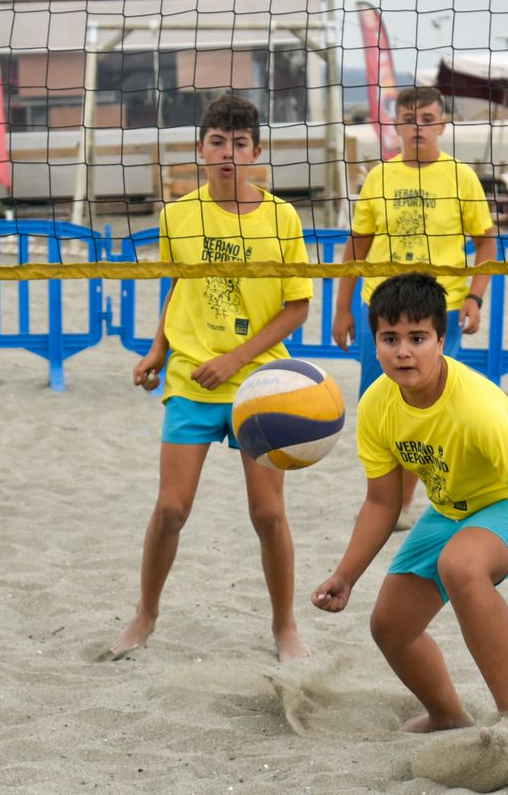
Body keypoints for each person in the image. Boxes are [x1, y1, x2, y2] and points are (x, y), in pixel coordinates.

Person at [312, 273, 508, 728]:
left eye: (418, 337)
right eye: (390, 338)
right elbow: (381, 504)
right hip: (455, 508)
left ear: (441, 341)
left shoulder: (474, 407)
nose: (403, 351)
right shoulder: (376, 405)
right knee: (390, 627)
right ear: (374, 344)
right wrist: (345, 575)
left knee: (461, 565)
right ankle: (449, 718)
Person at [108, 94, 314, 663]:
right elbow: (179, 288)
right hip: (192, 377)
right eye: (218, 143)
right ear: (201, 150)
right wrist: (155, 350)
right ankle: (145, 614)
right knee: (172, 508)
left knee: (268, 514)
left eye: (239, 144)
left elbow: (297, 308)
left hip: (260, 383)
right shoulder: (178, 215)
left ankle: (285, 627)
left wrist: (236, 357)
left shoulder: (282, 217)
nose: (228, 153)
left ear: (257, 151)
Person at [332, 87, 497, 528]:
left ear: (442, 125)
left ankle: (409, 504)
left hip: (437, 312)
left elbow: (486, 242)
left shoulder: (461, 177)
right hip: (381, 311)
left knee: (433, 405)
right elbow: (356, 248)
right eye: (410, 118)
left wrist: (477, 299)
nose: (418, 126)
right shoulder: (379, 177)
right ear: (397, 126)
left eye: (427, 118)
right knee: (380, 408)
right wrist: (341, 308)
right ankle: (389, 503)